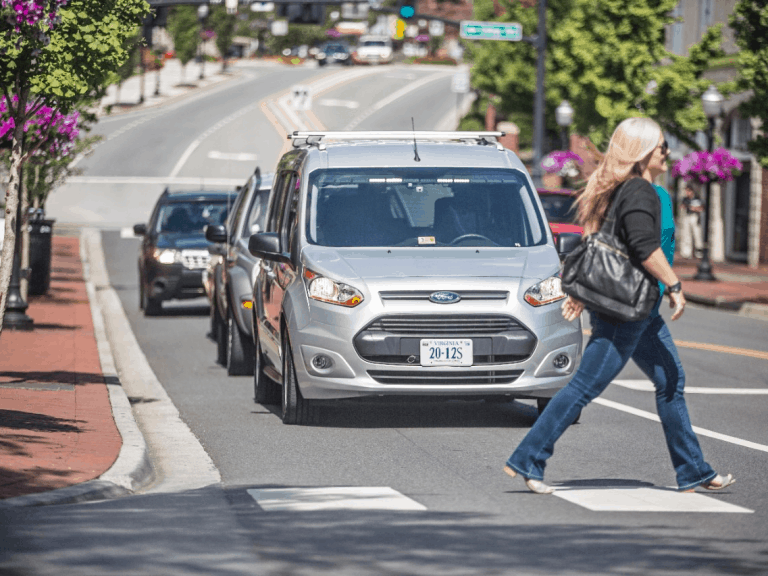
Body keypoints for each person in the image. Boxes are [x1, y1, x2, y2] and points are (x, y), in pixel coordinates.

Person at [504, 117, 735, 495]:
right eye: (662, 147)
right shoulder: (640, 191)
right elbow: (644, 247)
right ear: (644, 153)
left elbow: (600, 244)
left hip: (637, 309)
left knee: (670, 381)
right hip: (624, 310)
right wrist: (675, 285)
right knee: (583, 387)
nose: (667, 153)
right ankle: (528, 459)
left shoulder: (621, 189)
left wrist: (582, 294)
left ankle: (693, 470)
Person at [679, 185, 704, 259]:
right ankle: (686, 253)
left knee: (697, 234)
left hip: (695, 217)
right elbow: (682, 206)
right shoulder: (685, 199)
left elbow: (701, 208)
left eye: (688, 191)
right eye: (686, 191)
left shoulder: (697, 199)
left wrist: (695, 208)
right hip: (687, 216)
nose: (687, 193)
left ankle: (699, 252)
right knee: (686, 234)